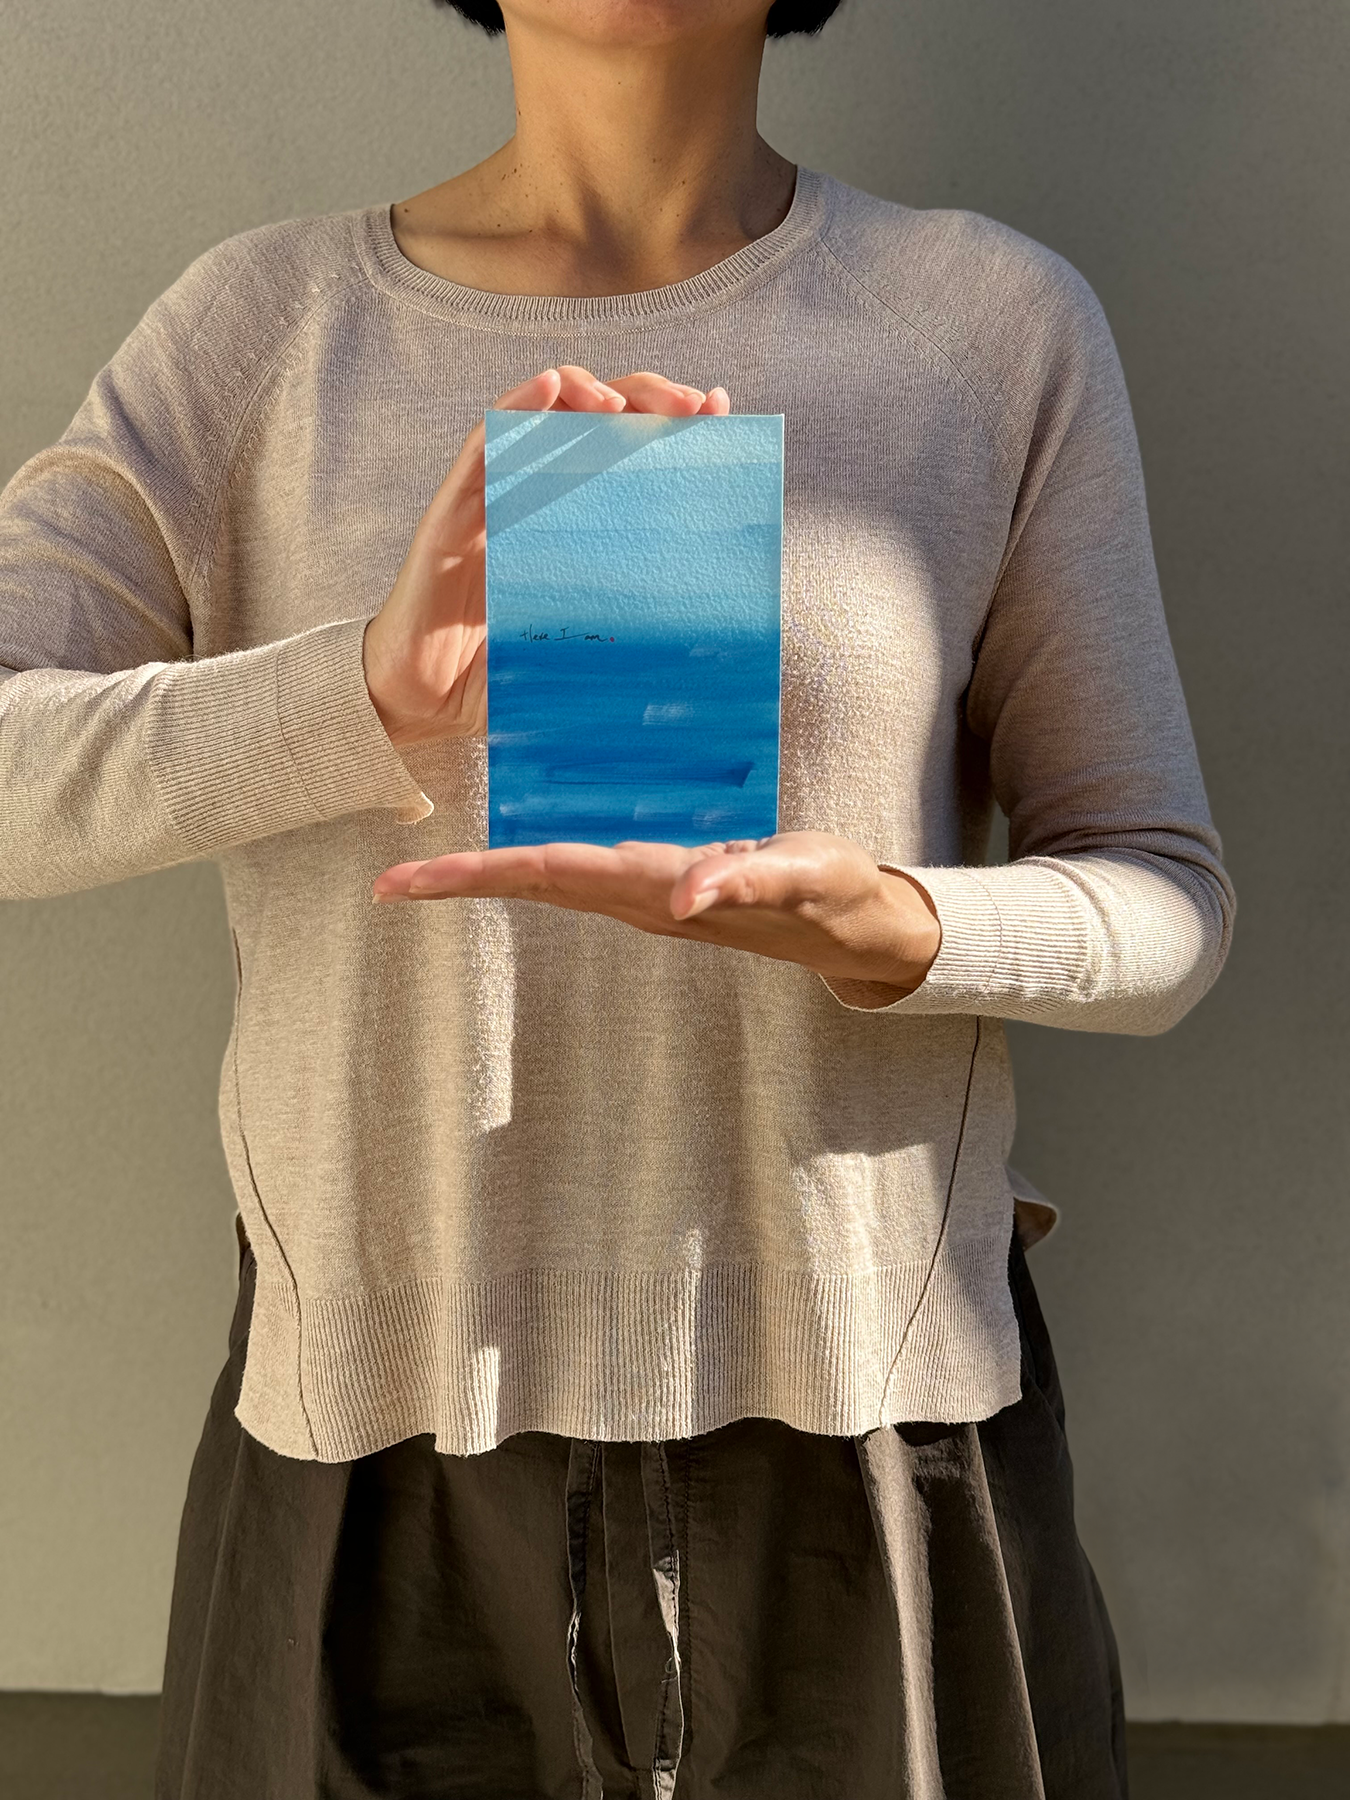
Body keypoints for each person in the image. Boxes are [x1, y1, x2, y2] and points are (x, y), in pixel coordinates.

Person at [0, 0, 1235, 1794]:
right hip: (372, 1428)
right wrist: (361, 687)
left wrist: (899, 926)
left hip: (865, 1410)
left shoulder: (984, 322)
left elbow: (1165, 902)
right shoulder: (263, 330)